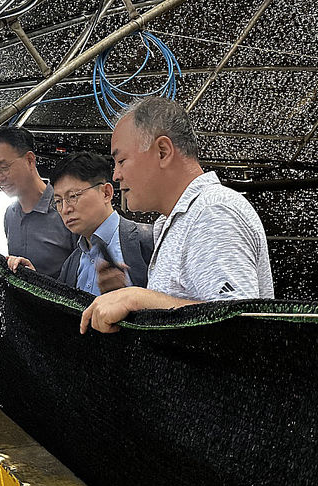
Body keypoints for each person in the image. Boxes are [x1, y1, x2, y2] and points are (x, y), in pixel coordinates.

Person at [81, 97, 274, 334]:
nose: (116, 175)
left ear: (163, 151)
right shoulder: (179, 219)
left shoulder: (212, 213)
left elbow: (237, 324)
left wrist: (136, 298)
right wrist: (129, 294)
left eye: (121, 160)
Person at [8, 151, 153, 294]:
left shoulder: (148, 241)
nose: (65, 209)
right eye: (58, 201)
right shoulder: (72, 263)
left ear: (106, 193)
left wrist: (129, 298)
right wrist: (34, 281)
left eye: (73, 196)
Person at [0, 127, 75, 279]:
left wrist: (38, 281)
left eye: (4, 168)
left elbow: (85, 278)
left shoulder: (66, 208)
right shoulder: (10, 215)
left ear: (30, 160)